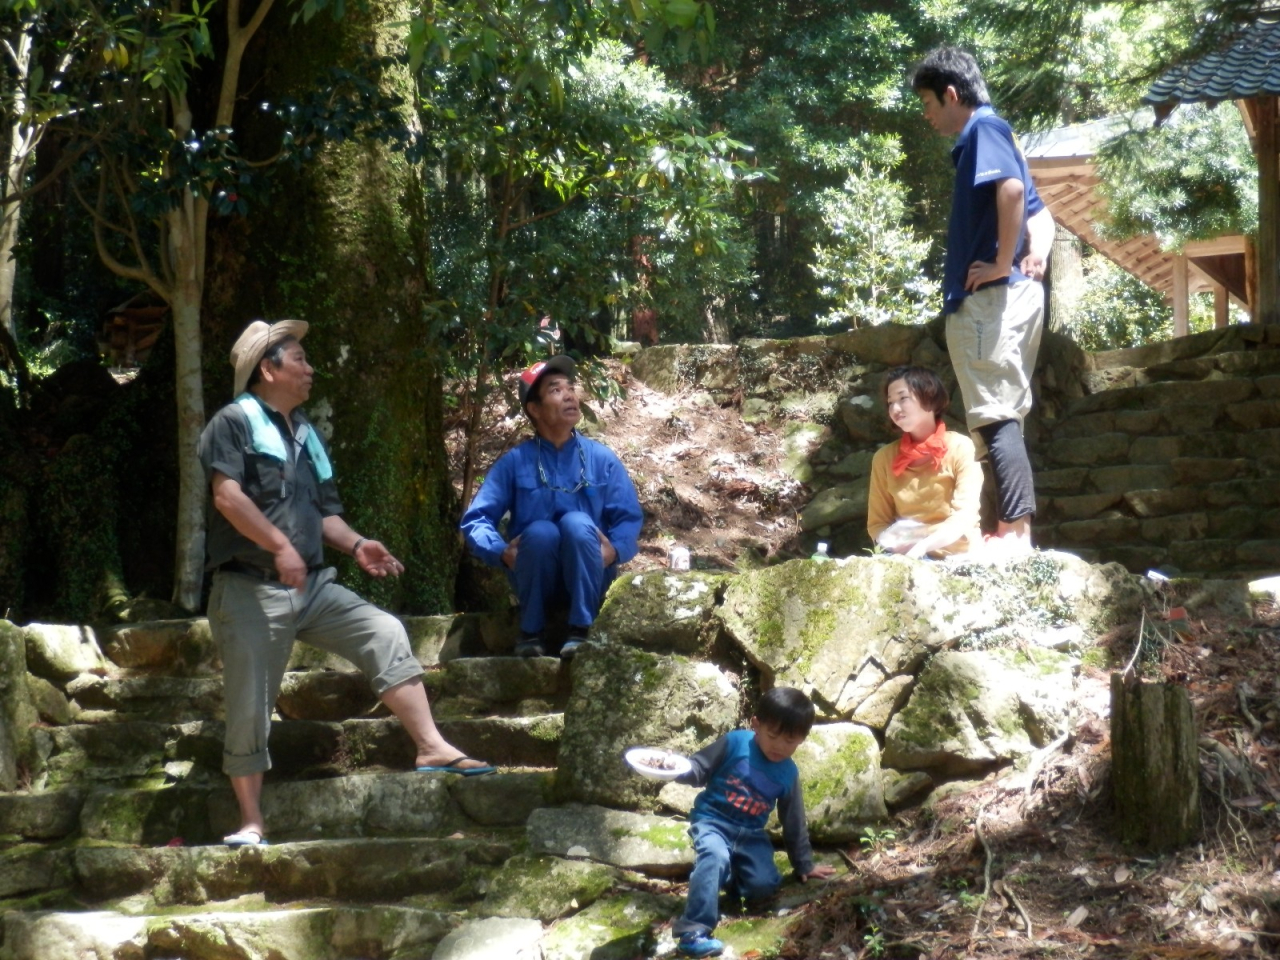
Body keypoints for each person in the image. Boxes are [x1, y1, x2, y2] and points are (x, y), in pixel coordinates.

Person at [199, 319, 494, 848]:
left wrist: (357, 545)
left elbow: (320, 513)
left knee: (383, 631)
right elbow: (228, 499)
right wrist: (279, 545)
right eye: (300, 360)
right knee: (249, 705)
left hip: (312, 587)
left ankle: (430, 746)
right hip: (250, 588)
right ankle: (251, 820)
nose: (311, 369)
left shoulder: (305, 432)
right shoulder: (232, 422)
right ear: (268, 368)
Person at [911, 46, 1055, 553]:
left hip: (992, 300)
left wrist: (999, 264)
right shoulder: (997, 133)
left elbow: (1014, 194)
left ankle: (1014, 533)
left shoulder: (983, 130)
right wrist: (1034, 253)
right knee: (1003, 412)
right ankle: (1014, 530)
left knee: (995, 415)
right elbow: (1040, 213)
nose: (926, 113)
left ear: (952, 94)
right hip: (1011, 296)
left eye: (927, 101)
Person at [460, 356, 643, 659]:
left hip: (590, 576)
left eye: (571, 388)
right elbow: (476, 520)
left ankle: (582, 630)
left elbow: (628, 517)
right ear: (534, 409)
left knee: (575, 523)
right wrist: (501, 552)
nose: (570, 395)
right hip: (535, 577)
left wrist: (615, 551)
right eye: (556, 390)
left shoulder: (601, 458)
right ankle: (531, 632)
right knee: (542, 532)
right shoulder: (515, 462)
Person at [669, 687, 836, 959]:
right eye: (773, 736)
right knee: (713, 855)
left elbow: (793, 819)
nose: (780, 746)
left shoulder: (788, 773)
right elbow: (698, 769)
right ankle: (693, 931)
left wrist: (804, 864)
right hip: (713, 821)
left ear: (802, 740)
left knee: (764, 885)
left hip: (750, 834)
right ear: (756, 724)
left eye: (790, 741)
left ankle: (718, 878)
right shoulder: (735, 743)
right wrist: (675, 769)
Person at [867, 365, 982, 558]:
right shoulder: (884, 457)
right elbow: (877, 525)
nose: (895, 409)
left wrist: (922, 547)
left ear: (929, 396)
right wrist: (892, 541)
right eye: (890, 402)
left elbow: (964, 517)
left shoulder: (960, 447)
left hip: (956, 557)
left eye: (903, 398)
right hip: (903, 556)